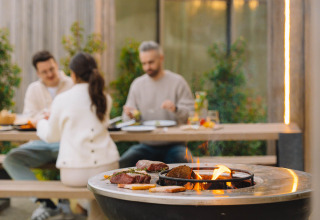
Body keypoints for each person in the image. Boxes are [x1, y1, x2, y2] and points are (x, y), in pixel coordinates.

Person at [36, 52, 120, 219]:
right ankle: (88, 211)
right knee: (99, 190)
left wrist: (40, 122)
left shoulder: (62, 99)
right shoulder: (104, 97)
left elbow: (52, 136)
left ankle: (81, 209)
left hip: (75, 174)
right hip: (108, 168)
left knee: (93, 188)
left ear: (73, 74)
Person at [3, 51, 74, 220]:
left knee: (72, 157)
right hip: (39, 143)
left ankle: (65, 202)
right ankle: (46, 203)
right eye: (44, 71)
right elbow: (28, 118)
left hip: (65, 144)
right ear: (37, 73)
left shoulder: (72, 84)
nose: (50, 74)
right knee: (10, 160)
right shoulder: (33, 89)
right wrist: (43, 116)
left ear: (56, 64)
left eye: (52, 69)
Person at [120, 41, 194, 168]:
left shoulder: (177, 82)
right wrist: (131, 116)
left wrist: (176, 109)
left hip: (175, 145)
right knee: (123, 162)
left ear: (161, 58)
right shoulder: (137, 85)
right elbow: (125, 120)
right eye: (144, 63)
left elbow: (192, 115)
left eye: (151, 62)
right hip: (146, 145)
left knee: (186, 164)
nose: (147, 67)